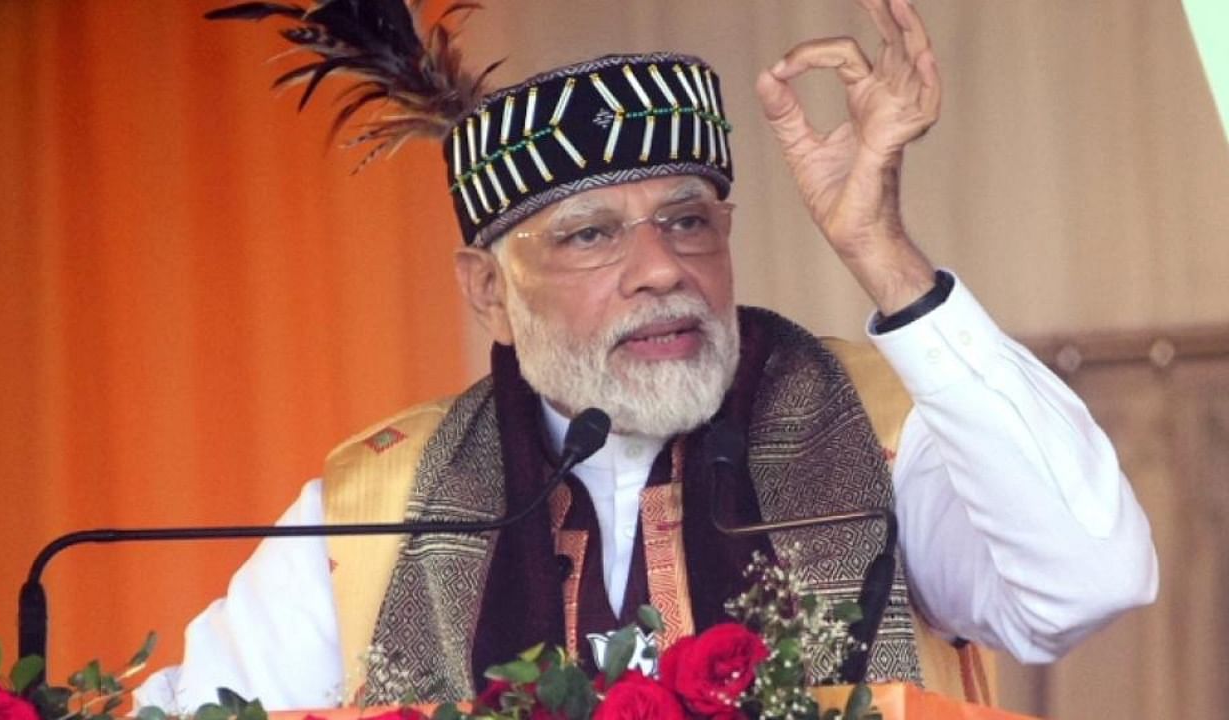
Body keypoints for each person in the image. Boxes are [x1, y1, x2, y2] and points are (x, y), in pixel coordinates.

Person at [136, 0, 1157, 712]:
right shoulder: (377, 502)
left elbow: (1085, 580)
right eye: (589, 235)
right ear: (489, 291)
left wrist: (879, 254)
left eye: (687, 221)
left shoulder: (881, 422)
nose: (660, 269)